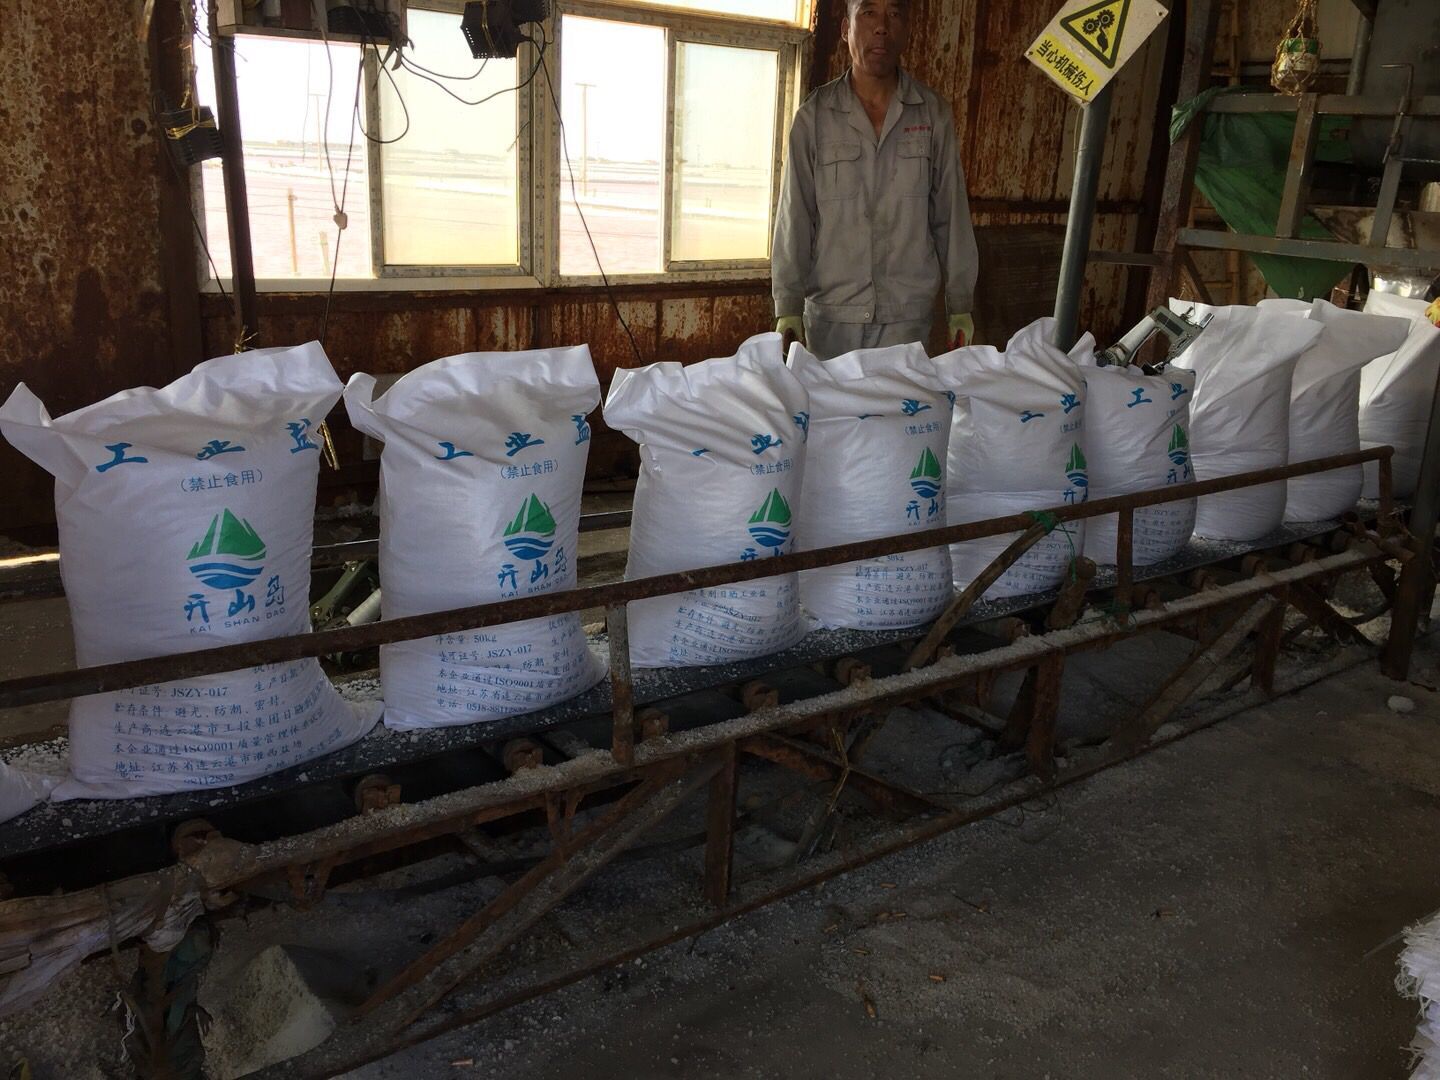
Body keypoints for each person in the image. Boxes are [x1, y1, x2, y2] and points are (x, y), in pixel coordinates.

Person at [772, 0, 978, 360]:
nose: (882, 26)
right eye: (868, 13)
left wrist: (960, 303)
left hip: (907, 319)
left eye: (894, 14)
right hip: (832, 319)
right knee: (831, 400)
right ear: (845, 29)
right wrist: (788, 305)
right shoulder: (814, 117)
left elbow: (951, 213)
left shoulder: (932, 114)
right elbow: (795, 216)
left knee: (902, 399)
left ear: (906, 31)